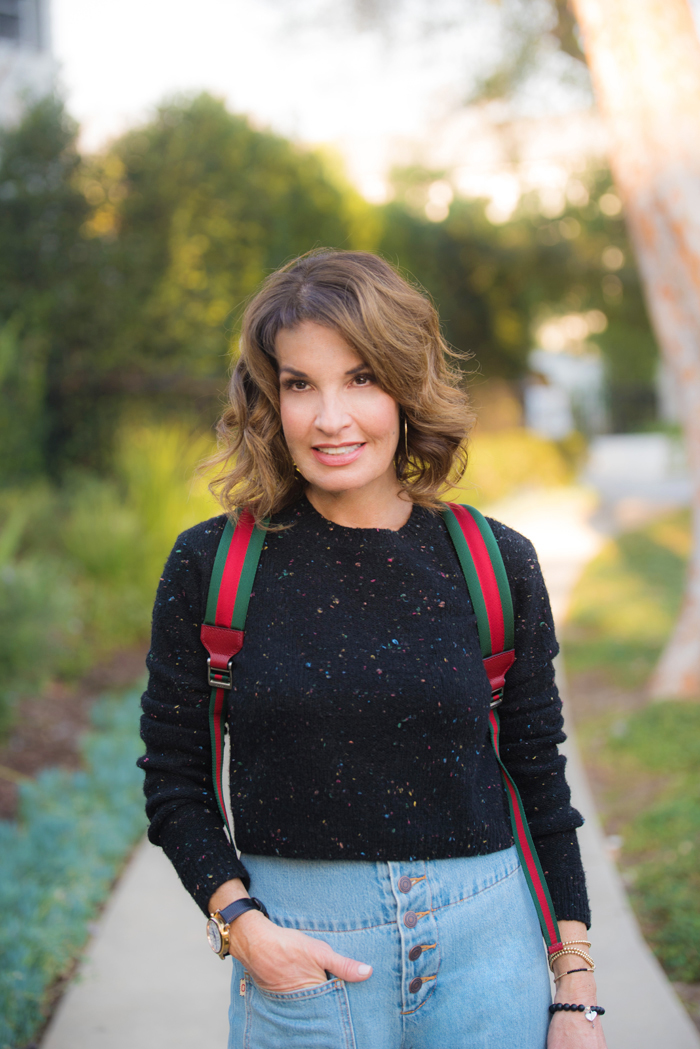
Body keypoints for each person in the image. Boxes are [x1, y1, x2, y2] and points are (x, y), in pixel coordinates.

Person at [139, 249, 606, 1049]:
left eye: (361, 378)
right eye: (299, 384)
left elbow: (538, 777)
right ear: (268, 399)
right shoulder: (211, 566)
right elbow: (175, 780)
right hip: (303, 953)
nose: (330, 417)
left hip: (490, 954)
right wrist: (244, 928)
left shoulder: (495, 562)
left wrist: (577, 991)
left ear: (406, 385)